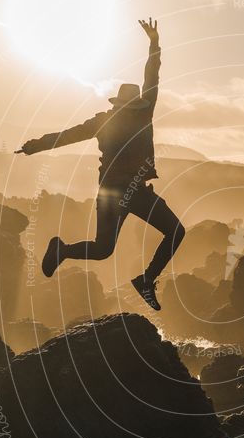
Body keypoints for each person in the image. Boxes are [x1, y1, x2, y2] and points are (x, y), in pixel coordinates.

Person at [15, 18, 181, 311]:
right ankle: (144, 279)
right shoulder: (143, 114)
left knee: (105, 248)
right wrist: (154, 43)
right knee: (172, 232)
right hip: (130, 191)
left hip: (114, 192)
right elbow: (151, 78)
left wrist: (34, 146)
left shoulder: (105, 120)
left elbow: (67, 136)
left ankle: (64, 251)